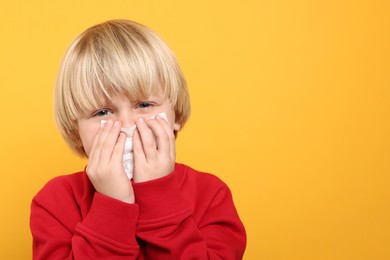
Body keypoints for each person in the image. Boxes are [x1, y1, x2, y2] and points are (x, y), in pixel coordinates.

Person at [30, 19, 246, 259]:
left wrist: (159, 196)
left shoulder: (211, 195)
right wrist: (113, 204)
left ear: (176, 114)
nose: (126, 125)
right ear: (76, 131)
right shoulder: (55, 203)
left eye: (144, 105)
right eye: (102, 112)